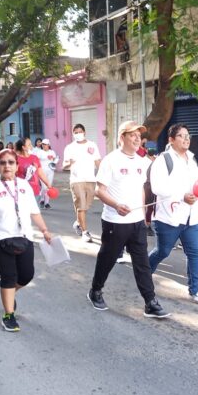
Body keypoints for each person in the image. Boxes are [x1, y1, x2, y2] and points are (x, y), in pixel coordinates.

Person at [86, 121, 170, 319]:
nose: (137, 139)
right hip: (115, 221)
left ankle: (150, 302)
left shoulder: (142, 161)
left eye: (139, 136)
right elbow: (99, 190)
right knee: (107, 259)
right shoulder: (110, 160)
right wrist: (116, 205)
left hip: (136, 222)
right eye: (132, 135)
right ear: (122, 137)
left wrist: (143, 216)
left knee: (142, 262)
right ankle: (95, 290)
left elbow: (142, 189)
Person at [0, 149, 53, 332]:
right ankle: (8, 315)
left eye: (11, 162)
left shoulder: (24, 185)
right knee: (8, 277)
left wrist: (44, 230)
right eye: (3, 163)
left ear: (17, 166)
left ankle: (9, 294)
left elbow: (34, 211)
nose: (7, 166)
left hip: (24, 236)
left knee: (26, 275)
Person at [148, 124, 198, 306]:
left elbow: (197, 186)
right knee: (163, 251)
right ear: (171, 140)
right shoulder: (163, 160)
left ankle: (195, 291)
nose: (186, 139)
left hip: (191, 217)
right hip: (169, 216)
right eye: (181, 136)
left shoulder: (191, 159)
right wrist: (181, 196)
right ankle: (143, 274)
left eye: (188, 136)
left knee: (194, 252)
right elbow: (157, 187)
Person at [62, 124, 101, 242]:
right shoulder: (70, 147)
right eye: (76, 132)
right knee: (81, 206)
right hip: (76, 180)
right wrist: (69, 164)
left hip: (90, 179)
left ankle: (78, 223)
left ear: (84, 132)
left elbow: (98, 162)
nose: (78, 134)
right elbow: (64, 166)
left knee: (86, 206)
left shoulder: (92, 145)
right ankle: (85, 232)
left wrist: (103, 176)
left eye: (80, 131)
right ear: (73, 134)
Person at [15, 137, 52, 204]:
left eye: (31, 144)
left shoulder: (34, 158)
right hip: (22, 192)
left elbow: (40, 173)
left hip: (35, 191)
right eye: (29, 145)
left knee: (35, 210)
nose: (31, 146)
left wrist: (48, 185)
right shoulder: (16, 159)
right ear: (23, 147)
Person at [36, 139, 59, 209]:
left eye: (45, 144)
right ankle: (42, 199)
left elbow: (55, 159)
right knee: (44, 187)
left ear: (48, 145)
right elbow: (36, 161)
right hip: (42, 172)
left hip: (50, 171)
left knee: (49, 187)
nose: (44, 145)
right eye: (43, 144)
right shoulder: (39, 152)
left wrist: (55, 161)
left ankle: (46, 203)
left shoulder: (52, 152)